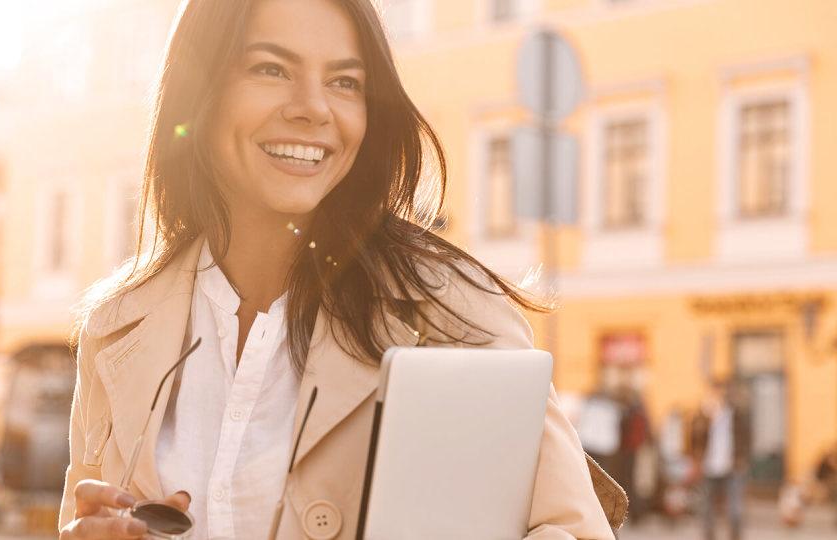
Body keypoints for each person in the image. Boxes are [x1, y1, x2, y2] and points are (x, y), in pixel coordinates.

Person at [56, 0, 627, 538]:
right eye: (271, 69)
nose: (314, 106)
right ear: (199, 91)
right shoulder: (118, 329)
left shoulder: (452, 309)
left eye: (345, 81)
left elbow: (570, 529)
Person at [689, 379, 752, 540]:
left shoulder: (737, 414)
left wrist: (742, 458)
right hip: (709, 467)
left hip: (732, 466)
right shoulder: (704, 415)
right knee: (706, 509)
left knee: (735, 511)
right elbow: (694, 437)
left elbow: (747, 438)